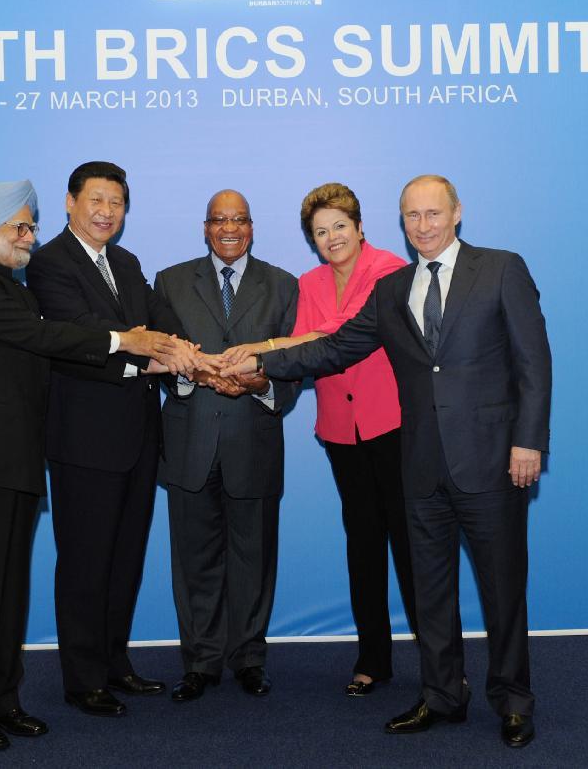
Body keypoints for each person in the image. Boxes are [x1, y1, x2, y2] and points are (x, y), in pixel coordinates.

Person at [223, 175, 551, 748]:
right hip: (419, 465)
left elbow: (534, 362)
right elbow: (335, 348)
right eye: (411, 216)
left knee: (503, 590)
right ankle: (442, 694)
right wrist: (257, 356)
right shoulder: (393, 289)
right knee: (430, 591)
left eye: (431, 214)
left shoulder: (501, 268)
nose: (421, 226)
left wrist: (529, 441)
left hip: (492, 462)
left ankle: (513, 699)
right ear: (400, 222)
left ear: (456, 214)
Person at [0, 180, 175, 752]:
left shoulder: (9, 285)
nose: (28, 237)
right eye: (19, 227)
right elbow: (43, 337)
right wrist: (124, 341)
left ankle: (2, 701)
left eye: (30, 227)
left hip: (14, 457)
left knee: (9, 592)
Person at [223, 182, 418, 696]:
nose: (331, 238)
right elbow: (306, 351)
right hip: (339, 430)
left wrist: (259, 347)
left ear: (359, 227)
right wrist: (270, 353)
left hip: (392, 425)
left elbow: (333, 339)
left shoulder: (392, 271)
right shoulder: (308, 283)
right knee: (363, 544)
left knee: (413, 545)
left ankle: (443, 665)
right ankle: (373, 660)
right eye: (319, 231)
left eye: (338, 226)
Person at [26, 161, 197, 717]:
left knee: (125, 555)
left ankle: (115, 660)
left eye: (117, 203)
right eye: (96, 200)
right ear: (71, 202)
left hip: (139, 435)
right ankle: (83, 677)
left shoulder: (126, 262)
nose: (106, 212)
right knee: (84, 558)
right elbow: (75, 340)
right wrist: (141, 361)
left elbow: (158, 323)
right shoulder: (48, 262)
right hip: (84, 440)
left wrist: (189, 352)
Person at [153, 190, 298, 701]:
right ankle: (201, 662)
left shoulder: (283, 285)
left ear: (252, 227)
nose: (229, 228)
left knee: (253, 559)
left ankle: (249, 659)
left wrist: (262, 385)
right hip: (189, 441)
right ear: (205, 227)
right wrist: (191, 376)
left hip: (253, 440)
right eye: (219, 220)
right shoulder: (170, 281)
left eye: (238, 220)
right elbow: (160, 363)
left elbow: (295, 367)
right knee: (194, 562)